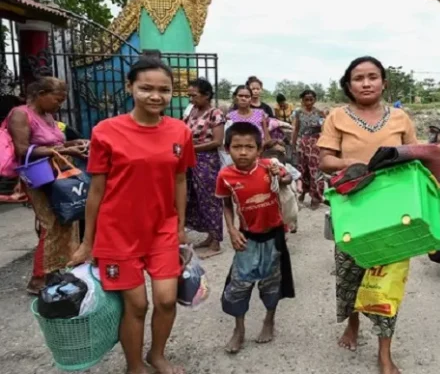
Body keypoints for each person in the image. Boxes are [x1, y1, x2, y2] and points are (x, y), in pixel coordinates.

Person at [70, 56, 195, 374]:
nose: (156, 96)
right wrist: (87, 243)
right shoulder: (106, 131)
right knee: (137, 304)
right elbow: (96, 191)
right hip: (118, 233)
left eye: (164, 90)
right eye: (146, 88)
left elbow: (180, 180)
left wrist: (180, 225)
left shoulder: (180, 132)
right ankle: (134, 364)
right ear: (130, 87)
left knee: (167, 299)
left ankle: (158, 354)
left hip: (162, 229)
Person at [318, 56, 418, 374]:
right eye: (358, 78)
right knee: (350, 273)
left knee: (387, 279)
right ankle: (353, 324)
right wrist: (355, 165)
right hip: (352, 207)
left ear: (384, 82)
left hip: (392, 211)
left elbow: (414, 158)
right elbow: (324, 160)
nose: (366, 83)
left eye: (372, 76)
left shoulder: (401, 118)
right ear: (348, 85)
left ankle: (384, 352)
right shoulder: (337, 117)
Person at [216, 122, 295, 353]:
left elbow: (288, 179)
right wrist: (231, 230)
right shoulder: (225, 175)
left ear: (259, 149)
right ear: (227, 148)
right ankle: (238, 330)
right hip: (247, 237)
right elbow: (226, 204)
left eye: (249, 147)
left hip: (275, 235)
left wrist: (279, 174)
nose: (242, 152)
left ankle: (269, 320)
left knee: (272, 283)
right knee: (239, 285)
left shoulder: (268, 166)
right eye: (236, 147)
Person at [7, 77, 88, 294]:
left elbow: (54, 143)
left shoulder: (48, 115)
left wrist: (74, 144)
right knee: (51, 224)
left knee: (67, 218)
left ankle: (59, 269)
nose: (60, 104)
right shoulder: (21, 114)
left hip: (58, 173)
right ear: (41, 94)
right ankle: (39, 278)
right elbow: (23, 150)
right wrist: (65, 151)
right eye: (57, 99)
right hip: (38, 176)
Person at [184, 78, 225, 258]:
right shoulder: (191, 111)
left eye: (194, 95)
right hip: (190, 160)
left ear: (206, 95)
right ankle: (209, 235)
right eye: (189, 96)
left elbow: (217, 141)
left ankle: (216, 242)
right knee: (194, 198)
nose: (191, 99)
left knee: (210, 199)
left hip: (206, 161)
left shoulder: (215, 114)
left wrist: (191, 148)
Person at [291, 89, 325, 209]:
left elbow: (325, 129)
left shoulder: (320, 113)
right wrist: (293, 144)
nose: (309, 102)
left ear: (315, 100)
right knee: (302, 168)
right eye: (306, 99)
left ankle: (316, 197)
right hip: (303, 143)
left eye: (311, 99)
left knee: (315, 169)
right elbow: (295, 129)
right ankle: (302, 193)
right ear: (303, 100)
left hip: (316, 144)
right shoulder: (298, 113)